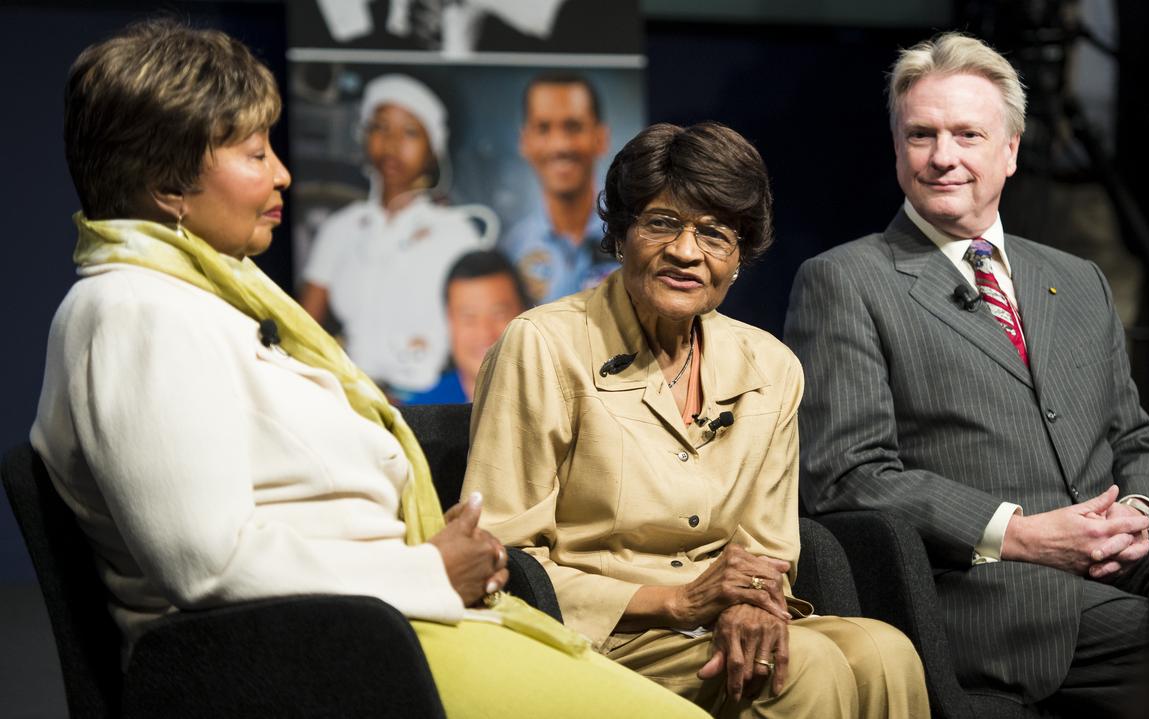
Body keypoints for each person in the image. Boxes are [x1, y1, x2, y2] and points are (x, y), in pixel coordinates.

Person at [32, 20, 709, 718]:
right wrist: (428, 569)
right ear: (168, 181)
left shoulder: (199, 302)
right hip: (311, 661)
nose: (282, 173)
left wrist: (436, 552)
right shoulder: (134, 311)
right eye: (256, 152)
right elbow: (209, 564)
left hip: (371, 635)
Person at [784, 32, 1149, 717]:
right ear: (897, 148)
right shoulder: (845, 280)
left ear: (1010, 149)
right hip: (1000, 594)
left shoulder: (1075, 278)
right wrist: (1021, 533)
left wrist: (1137, 514)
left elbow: (1136, 437)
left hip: (1124, 562)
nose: (942, 156)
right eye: (921, 135)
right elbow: (848, 475)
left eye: (967, 134)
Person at [464, 122, 929, 718]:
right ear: (623, 235)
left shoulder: (770, 365)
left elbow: (767, 544)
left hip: (714, 625)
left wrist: (751, 602)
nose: (686, 252)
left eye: (714, 234)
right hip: (600, 633)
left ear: (739, 257)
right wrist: (675, 602)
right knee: (801, 672)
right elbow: (505, 553)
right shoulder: (543, 345)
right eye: (662, 223)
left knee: (886, 651)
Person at [299, 73, 497, 397]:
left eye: (409, 132)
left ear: (433, 149)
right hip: (351, 397)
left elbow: (481, 335)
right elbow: (303, 329)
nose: (392, 142)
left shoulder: (456, 233)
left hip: (432, 398)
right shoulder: (341, 228)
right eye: (380, 127)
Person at [500, 71, 617, 305]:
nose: (560, 145)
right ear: (525, 141)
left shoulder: (635, 239)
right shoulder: (510, 251)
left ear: (600, 138)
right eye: (543, 128)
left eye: (573, 127)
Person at [399, 250, 528, 404]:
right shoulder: (420, 415)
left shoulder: (558, 403)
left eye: (498, 315)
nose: (485, 333)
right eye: (469, 318)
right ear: (449, 321)